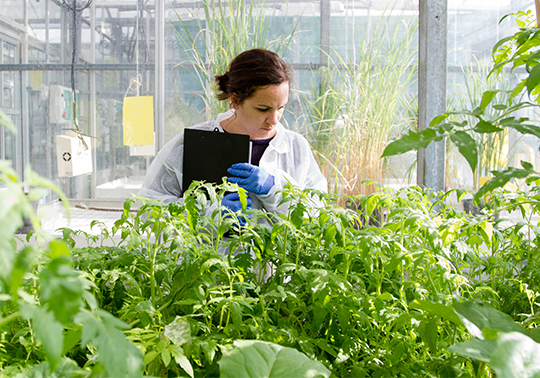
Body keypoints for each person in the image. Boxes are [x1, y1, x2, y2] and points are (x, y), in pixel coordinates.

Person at [139, 48, 327, 221]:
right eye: (263, 109)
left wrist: (274, 189)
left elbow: (318, 214)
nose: (274, 119)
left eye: (281, 107)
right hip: (207, 257)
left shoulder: (295, 147)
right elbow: (149, 210)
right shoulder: (193, 143)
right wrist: (209, 214)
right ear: (235, 100)